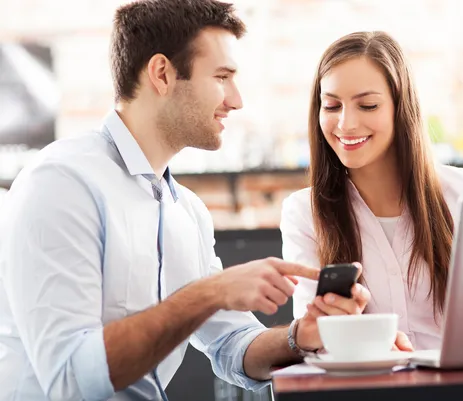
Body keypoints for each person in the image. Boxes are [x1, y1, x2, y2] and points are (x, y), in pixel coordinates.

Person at [0, 1, 371, 400]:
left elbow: (231, 345)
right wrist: (210, 293)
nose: (236, 99)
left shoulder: (187, 212)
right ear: (162, 74)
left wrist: (299, 337)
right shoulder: (63, 184)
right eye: (222, 76)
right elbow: (72, 377)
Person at [281, 31, 463, 351]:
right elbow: (312, 339)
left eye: (367, 105)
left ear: (400, 108)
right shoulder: (304, 213)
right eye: (332, 106)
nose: (346, 124)